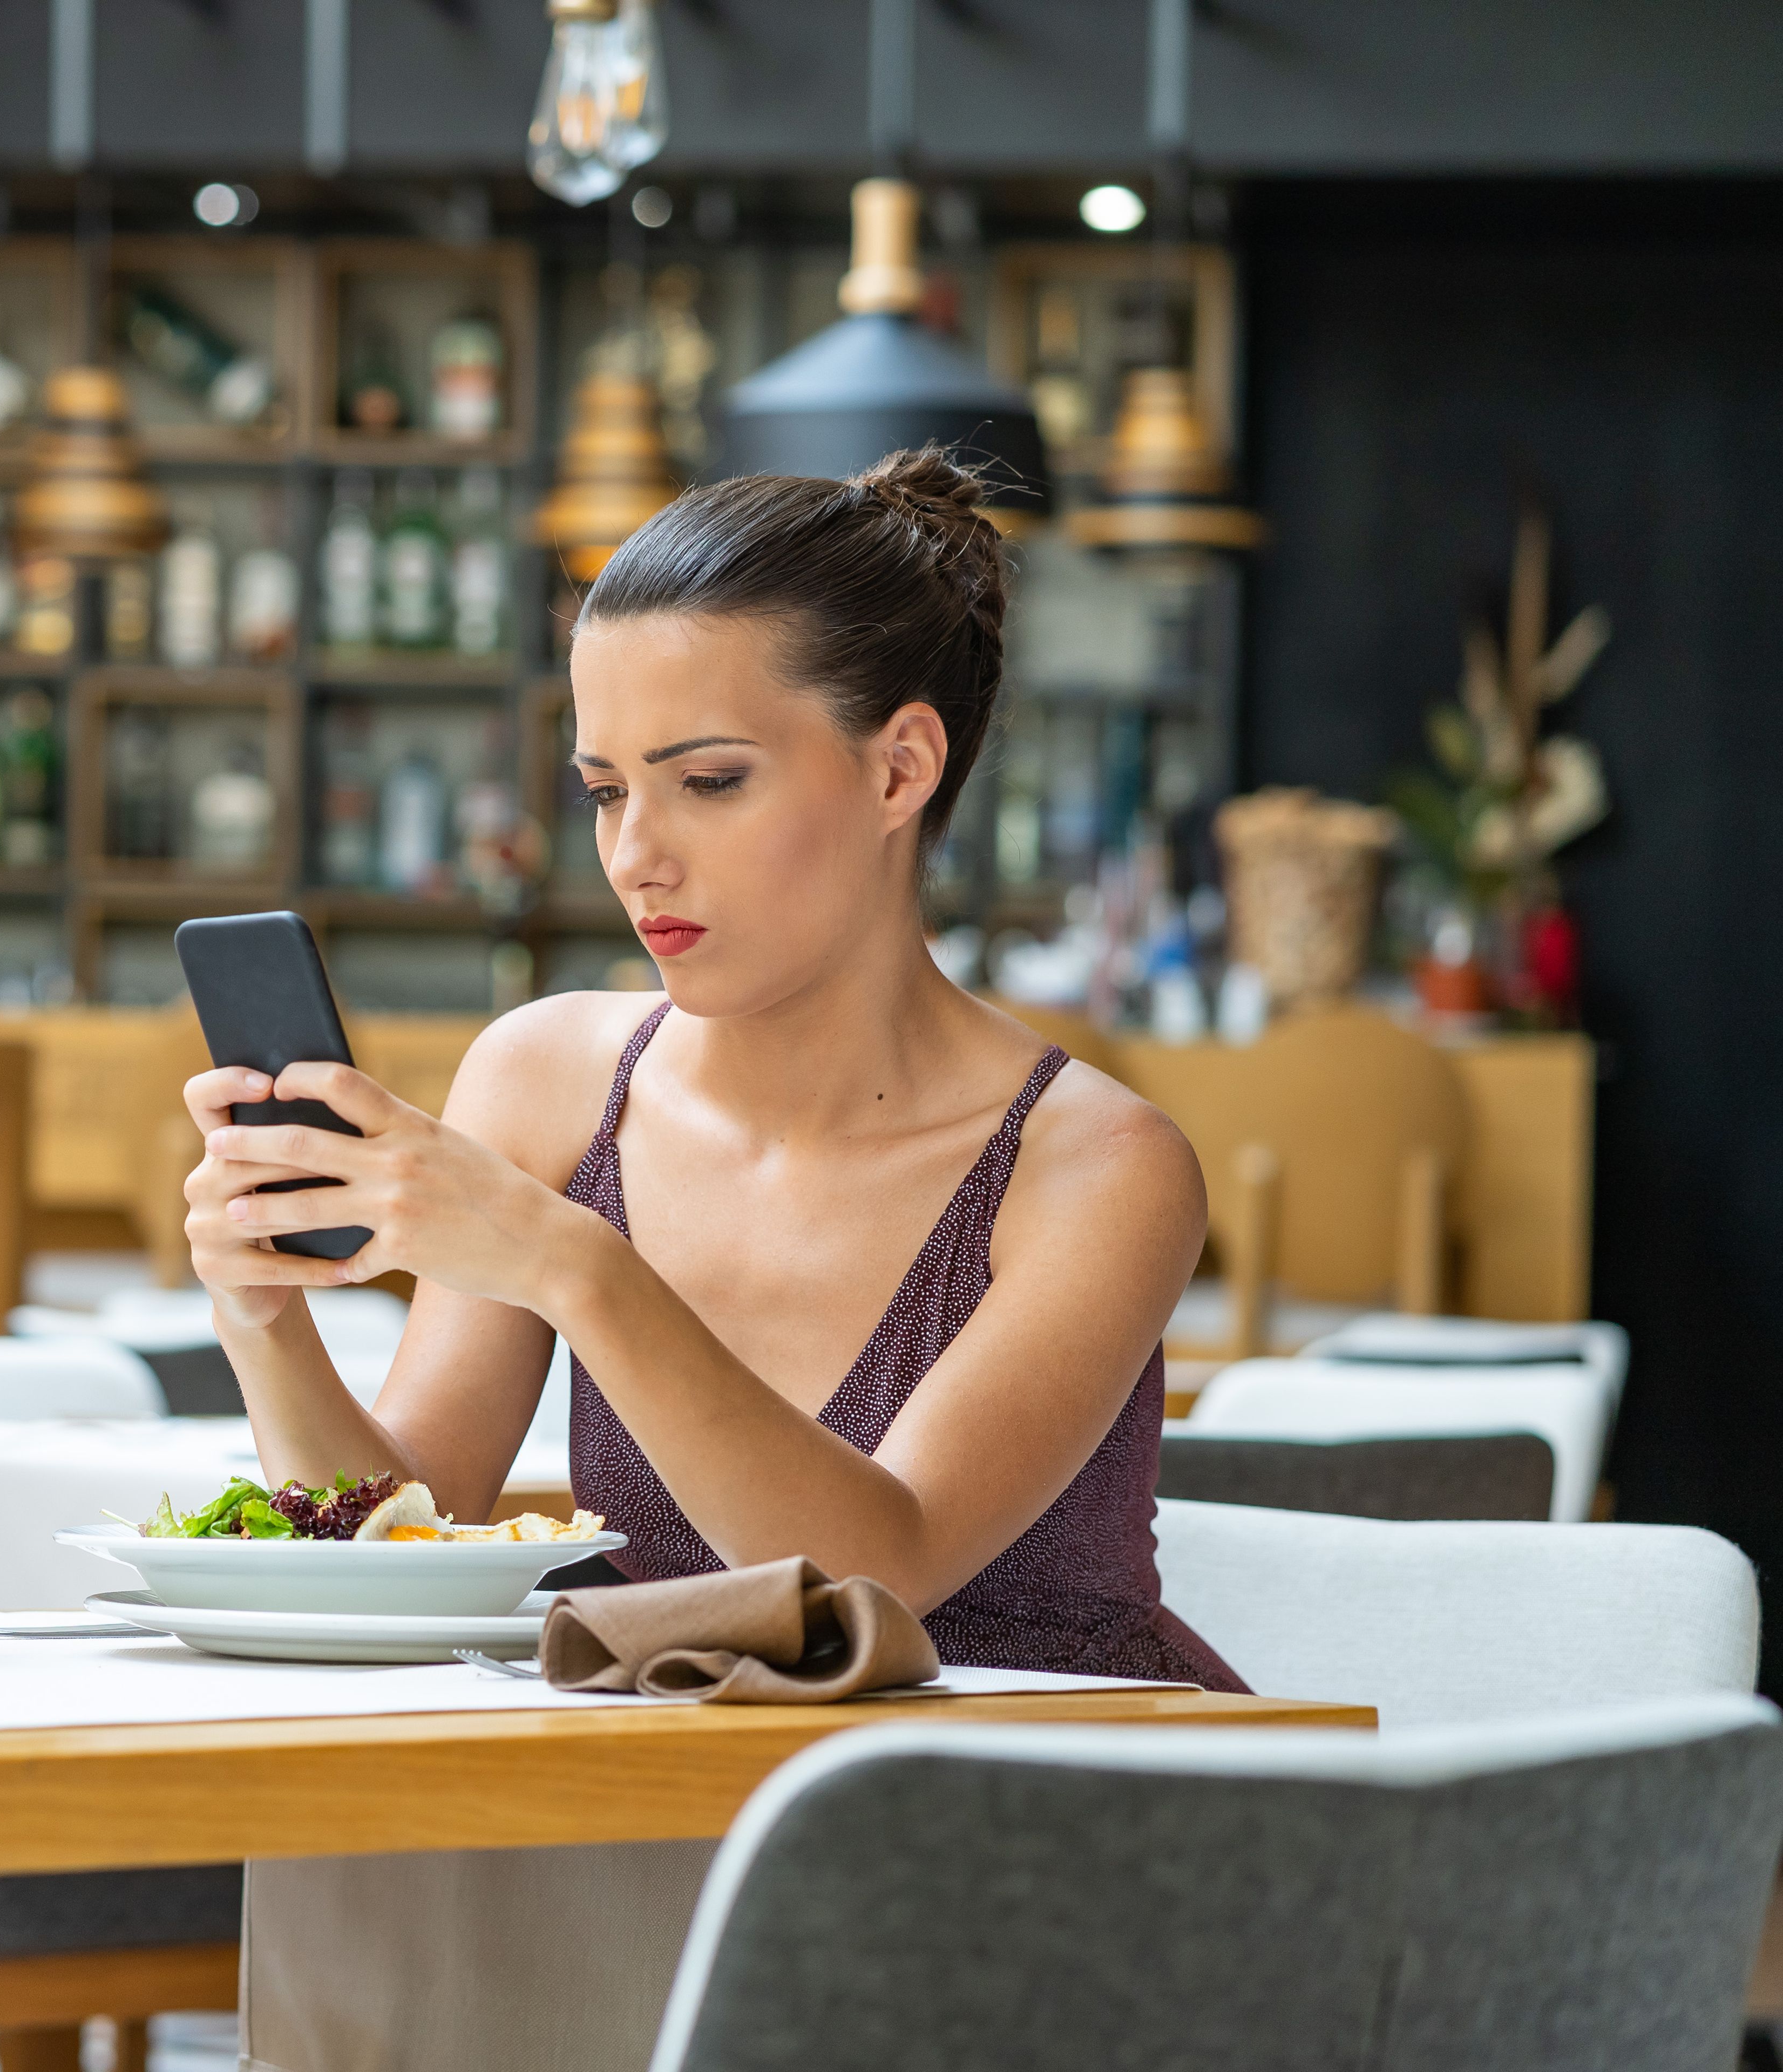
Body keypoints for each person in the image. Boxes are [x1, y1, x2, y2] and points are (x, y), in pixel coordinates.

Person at [182, 447, 1239, 2072]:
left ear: (900, 769)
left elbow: (870, 1573)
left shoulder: (1097, 1164)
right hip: (660, 1816)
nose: (638, 856)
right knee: (360, 1862)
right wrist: (264, 1320)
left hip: (1020, 1862)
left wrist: (577, 1265)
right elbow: (404, 1527)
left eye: (711, 781)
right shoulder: (546, 1075)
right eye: (608, 790)